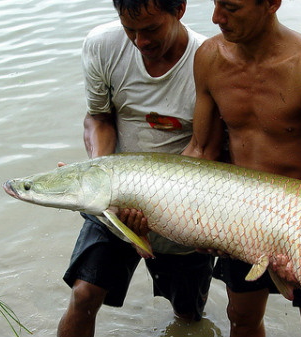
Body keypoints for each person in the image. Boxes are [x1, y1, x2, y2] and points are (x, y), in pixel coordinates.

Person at [181, 0, 301, 336]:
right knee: (241, 317)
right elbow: (203, 150)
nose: (216, 18)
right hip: (238, 212)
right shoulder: (210, 58)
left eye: (231, 8)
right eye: (215, 4)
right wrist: (191, 217)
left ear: (271, 4)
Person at [56, 1, 215, 336]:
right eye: (130, 29)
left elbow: (205, 150)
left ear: (180, 9)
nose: (140, 41)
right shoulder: (103, 45)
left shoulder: (209, 61)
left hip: (183, 206)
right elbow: (99, 119)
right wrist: (101, 176)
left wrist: (153, 203)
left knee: (187, 315)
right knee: (84, 295)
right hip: (111, 201)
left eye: (152, 29)